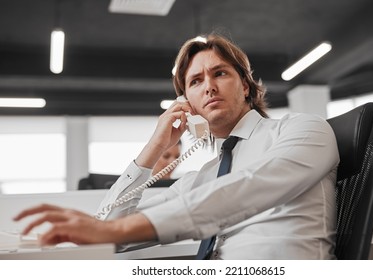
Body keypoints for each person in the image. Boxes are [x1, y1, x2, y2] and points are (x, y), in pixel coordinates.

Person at [14, 33, 339, 259]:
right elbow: (112, 231)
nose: (209, 87)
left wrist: (115, 231)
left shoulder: (302, 128)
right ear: (188, 103)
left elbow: (247, 188)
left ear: (244, 84)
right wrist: (154, 148)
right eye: (195, 82)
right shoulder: (203, 177)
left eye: (220, 73)